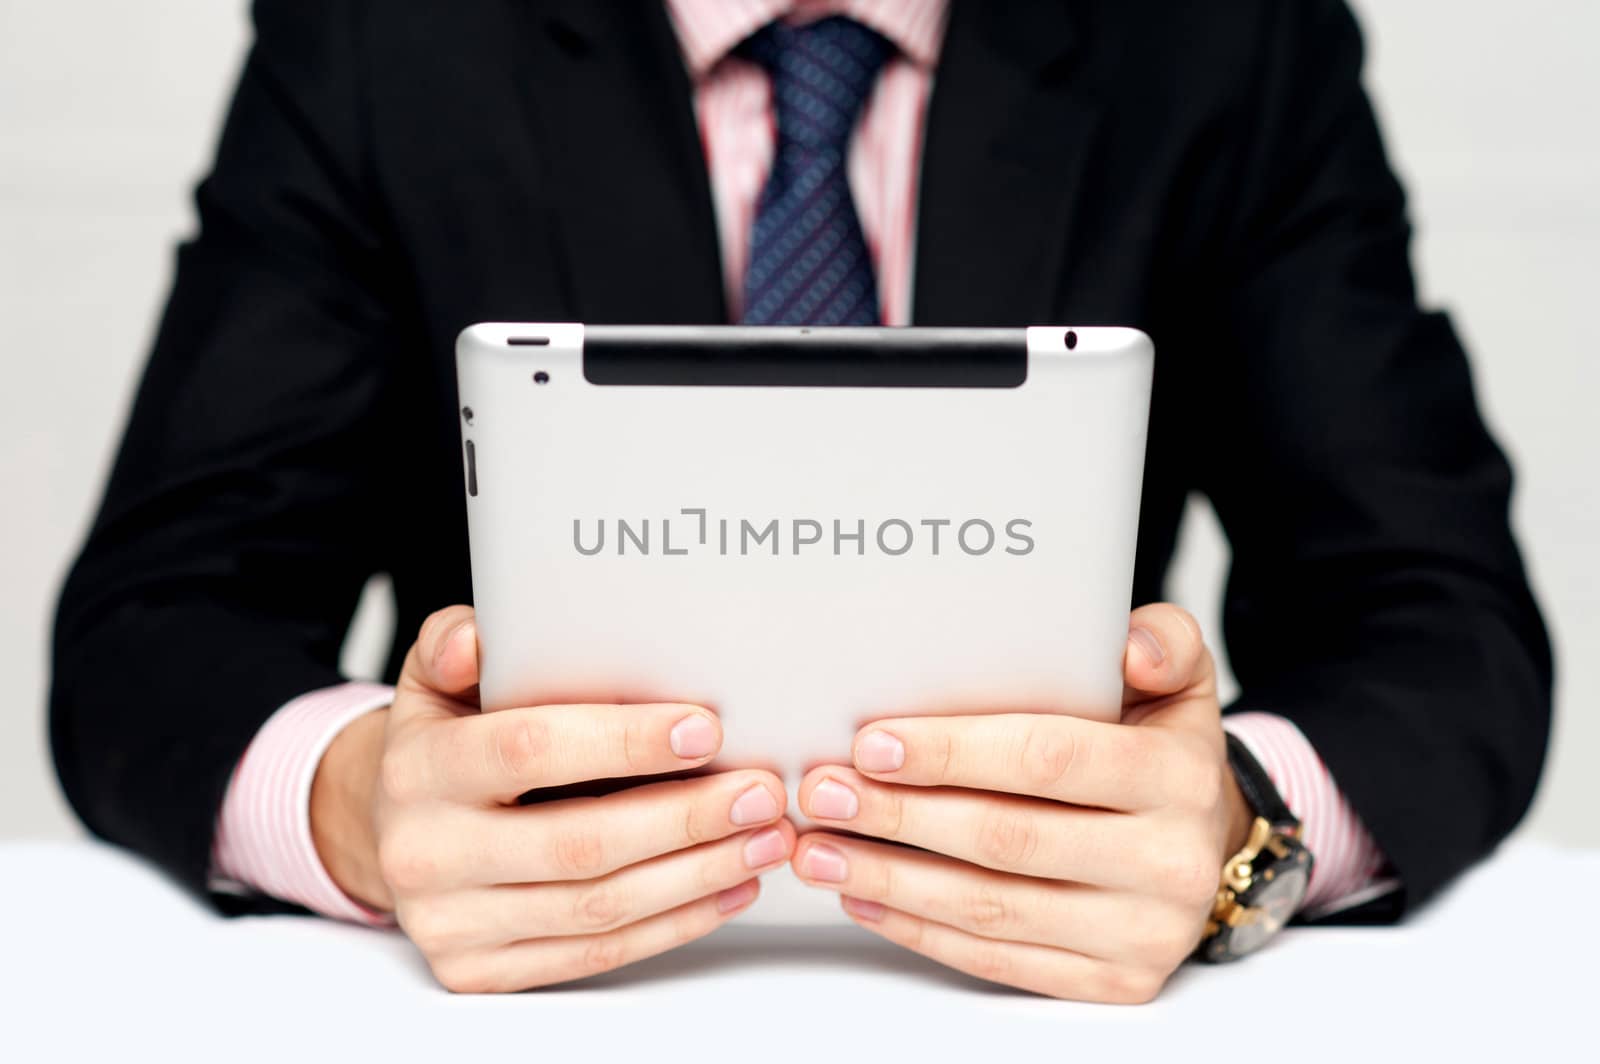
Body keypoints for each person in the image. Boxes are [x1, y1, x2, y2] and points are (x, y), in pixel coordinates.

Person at [50, 0, 1551, 1000]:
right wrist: (364, 802)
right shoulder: (388, 35)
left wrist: (1236, 827)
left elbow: (1438, 621)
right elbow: (156, 626)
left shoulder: (1224, 38)